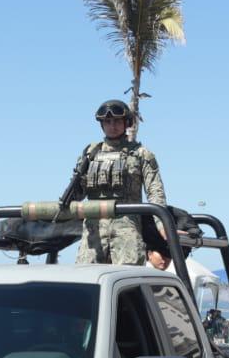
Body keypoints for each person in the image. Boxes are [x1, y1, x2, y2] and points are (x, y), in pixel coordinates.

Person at [64, 99, 167, 268]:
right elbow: (78, 194)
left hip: (127, 229)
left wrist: (162, 225)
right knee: (86, 279)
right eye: (107, 121)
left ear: (126, 123)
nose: (112, 126)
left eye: (117, 121)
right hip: (93, 231)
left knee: (129, 282)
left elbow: (155, 192)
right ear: (102, 125)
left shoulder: (141, 154)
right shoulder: (90, 154)